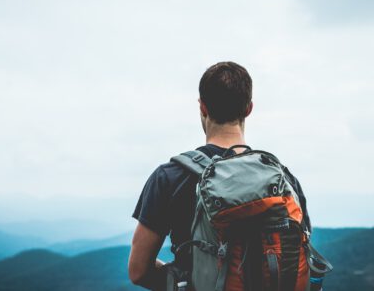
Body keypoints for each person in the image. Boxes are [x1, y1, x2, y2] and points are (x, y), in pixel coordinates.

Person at [128, 61, 310, 290]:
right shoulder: (283, 179)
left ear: (202, 107)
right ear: (249, 108)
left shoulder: (169, 177)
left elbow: (138, 271)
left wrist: (182, 280)